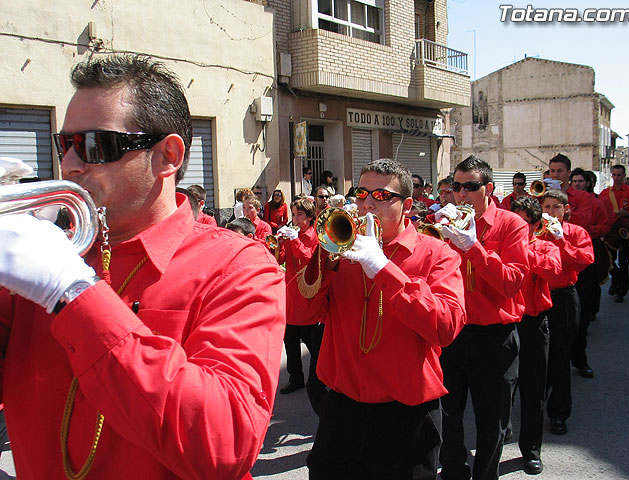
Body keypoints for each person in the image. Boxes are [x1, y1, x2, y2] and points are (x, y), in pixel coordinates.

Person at [0, 55, 286, 480]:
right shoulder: (43, 256)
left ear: (167, 156)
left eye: (94, 145)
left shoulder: (238, 266)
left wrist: (72, 292)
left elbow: (224, 444)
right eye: (65, 144)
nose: (70, 164)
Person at [301, 159, 466, 479]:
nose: (367, 204)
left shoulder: (438, 254)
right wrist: (323, 260)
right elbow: (303, 313)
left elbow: (446, 327)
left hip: (406, 416)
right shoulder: (341, 247)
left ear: (407, 205)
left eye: (381, 196)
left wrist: (382, 268)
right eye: (362, 194)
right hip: (342, 410)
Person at [437, 155, 529, 480]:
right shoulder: (445, 223)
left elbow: (512, 283)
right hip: (452, 334)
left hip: (494, 337)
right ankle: (453, 472)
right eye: (456, 187)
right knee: (447, 416)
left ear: (488, 188)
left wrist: (474, 248)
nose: (462, 194)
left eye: (470, 187)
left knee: (492, 421)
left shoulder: (512, 224)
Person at [510, 197, 562, 475]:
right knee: (500, 388)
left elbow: (553, 270)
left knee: (533, 391)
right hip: (507, 323)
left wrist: (523, 250)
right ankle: (502, 431)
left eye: (524, 224)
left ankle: (531, 450)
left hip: (533, 323)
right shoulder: (503, 245)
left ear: (534, 225)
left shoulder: (544, 246)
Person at [538, 189, 593, 436]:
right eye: (547, 207)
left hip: (563, 297)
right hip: (539, 296)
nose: (551, 212)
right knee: (537, 357)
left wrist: (561, 241)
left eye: (556, 207)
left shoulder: (576, 232)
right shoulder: (536, 231)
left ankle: (559, 413)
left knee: (560, 356)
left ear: (566, 209)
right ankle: (535, 405)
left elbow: (584, 261)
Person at [273, 198, 327, 411]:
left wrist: (295, 241)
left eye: (300, 215)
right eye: (293, 215)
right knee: (291, 343)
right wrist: (278, 244)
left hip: (309, 299)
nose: (295, 219)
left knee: (313, 344)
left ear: (310, 217)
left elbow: (310, 261)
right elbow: (280, 260)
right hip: (292, 297)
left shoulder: (316, 237)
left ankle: (322, 376)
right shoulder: (292, 234)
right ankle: (295, 378)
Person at [568, 168, 612, 378]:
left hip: (583, 253)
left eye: (580, 181)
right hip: (555, 261)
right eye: (552, 171)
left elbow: (600, 225)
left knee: (580, 314)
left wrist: (584, 231)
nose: (577, 184)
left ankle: (580, 360)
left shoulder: (590, 200)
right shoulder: (546, 196)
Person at [600, 165, 629, 302]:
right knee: (609, 260)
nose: (616, 178)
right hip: (611, 231)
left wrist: (628, 213)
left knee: (624, 262)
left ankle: (621, 291)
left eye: (619, 175)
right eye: (614, 175)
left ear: (624, 176)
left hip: (625, 231)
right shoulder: (605, 193)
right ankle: (615, 279)